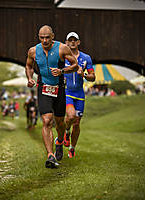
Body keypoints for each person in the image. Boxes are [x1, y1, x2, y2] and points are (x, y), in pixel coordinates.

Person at [25, 25, 80, 168]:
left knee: (60, 122)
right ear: (39, 38)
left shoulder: (62, 48)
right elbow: (29, 66)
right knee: (47, 120)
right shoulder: (33, 51)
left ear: (53, 36)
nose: (45, 40)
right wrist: (30, 78)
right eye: (42, 38)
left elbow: (75, 65)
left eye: (47, 37)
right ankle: (50, 155)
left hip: (59, 89)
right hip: (43, 88)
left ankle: (60, 141)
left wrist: (62, 71)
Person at [64, 32, 96, 158]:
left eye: (74, 40)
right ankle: (66, 132)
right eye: (70, 40)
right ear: (66, 42)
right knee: (71, 116)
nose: (72, 42)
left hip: (79, 94)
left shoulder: (86, 58)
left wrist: (84, 75)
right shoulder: (62, 57)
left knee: (76, 123)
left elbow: (93, 77)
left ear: (78, 42)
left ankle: (72, 148)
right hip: (67, 92)